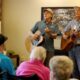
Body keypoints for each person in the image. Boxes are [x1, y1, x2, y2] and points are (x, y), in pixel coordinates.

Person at [62, 7, 80, 79]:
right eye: (75, 12)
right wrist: (65, 36)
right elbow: (64, 31)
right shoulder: (71, 22)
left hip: (79, 47)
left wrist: (78, 34)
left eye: (78, 11)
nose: (76, 13)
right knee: (73, 67)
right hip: (70, 46)